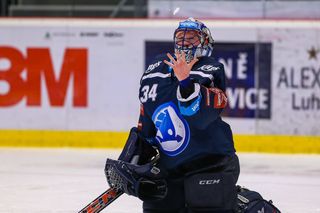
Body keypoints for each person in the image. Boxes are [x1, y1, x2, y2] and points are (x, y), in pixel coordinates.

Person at [106, 17, 240, 213]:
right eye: (181, 38)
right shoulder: (154, 73)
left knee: (208, 205)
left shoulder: (211, 70)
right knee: (156, 205)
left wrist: (185, 81)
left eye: (192, 39)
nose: (185, 43)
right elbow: (147, 127)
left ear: (204, 43)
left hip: (210, 164)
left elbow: (200, 117)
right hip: (171, 169)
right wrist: (131, 161)